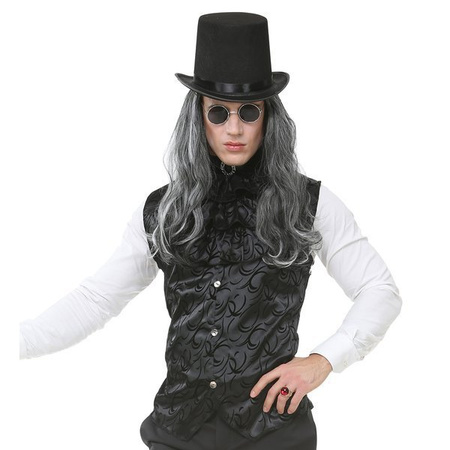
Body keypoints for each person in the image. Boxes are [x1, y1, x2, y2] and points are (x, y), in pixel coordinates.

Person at [19, 12, 402, 450]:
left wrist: (323, 360)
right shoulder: (164, 210)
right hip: (180, 431)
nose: (234, 128)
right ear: (198, 116)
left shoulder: (309, 202)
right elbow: (96, 300)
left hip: (273, 432)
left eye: (249, 112)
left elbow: (380, 290)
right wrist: (16, 342)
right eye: (218, 113)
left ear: (269, 117)